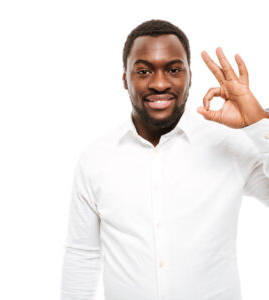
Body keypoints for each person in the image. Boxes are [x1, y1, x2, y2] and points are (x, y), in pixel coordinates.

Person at [60, 19, 269, 300]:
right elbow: (82, 255)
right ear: (125, 78)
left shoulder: (229, 145)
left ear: (190, 76)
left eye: (173, 70)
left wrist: (257, 123)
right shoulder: (96, 158)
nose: (159, 83)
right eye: (144, 71)